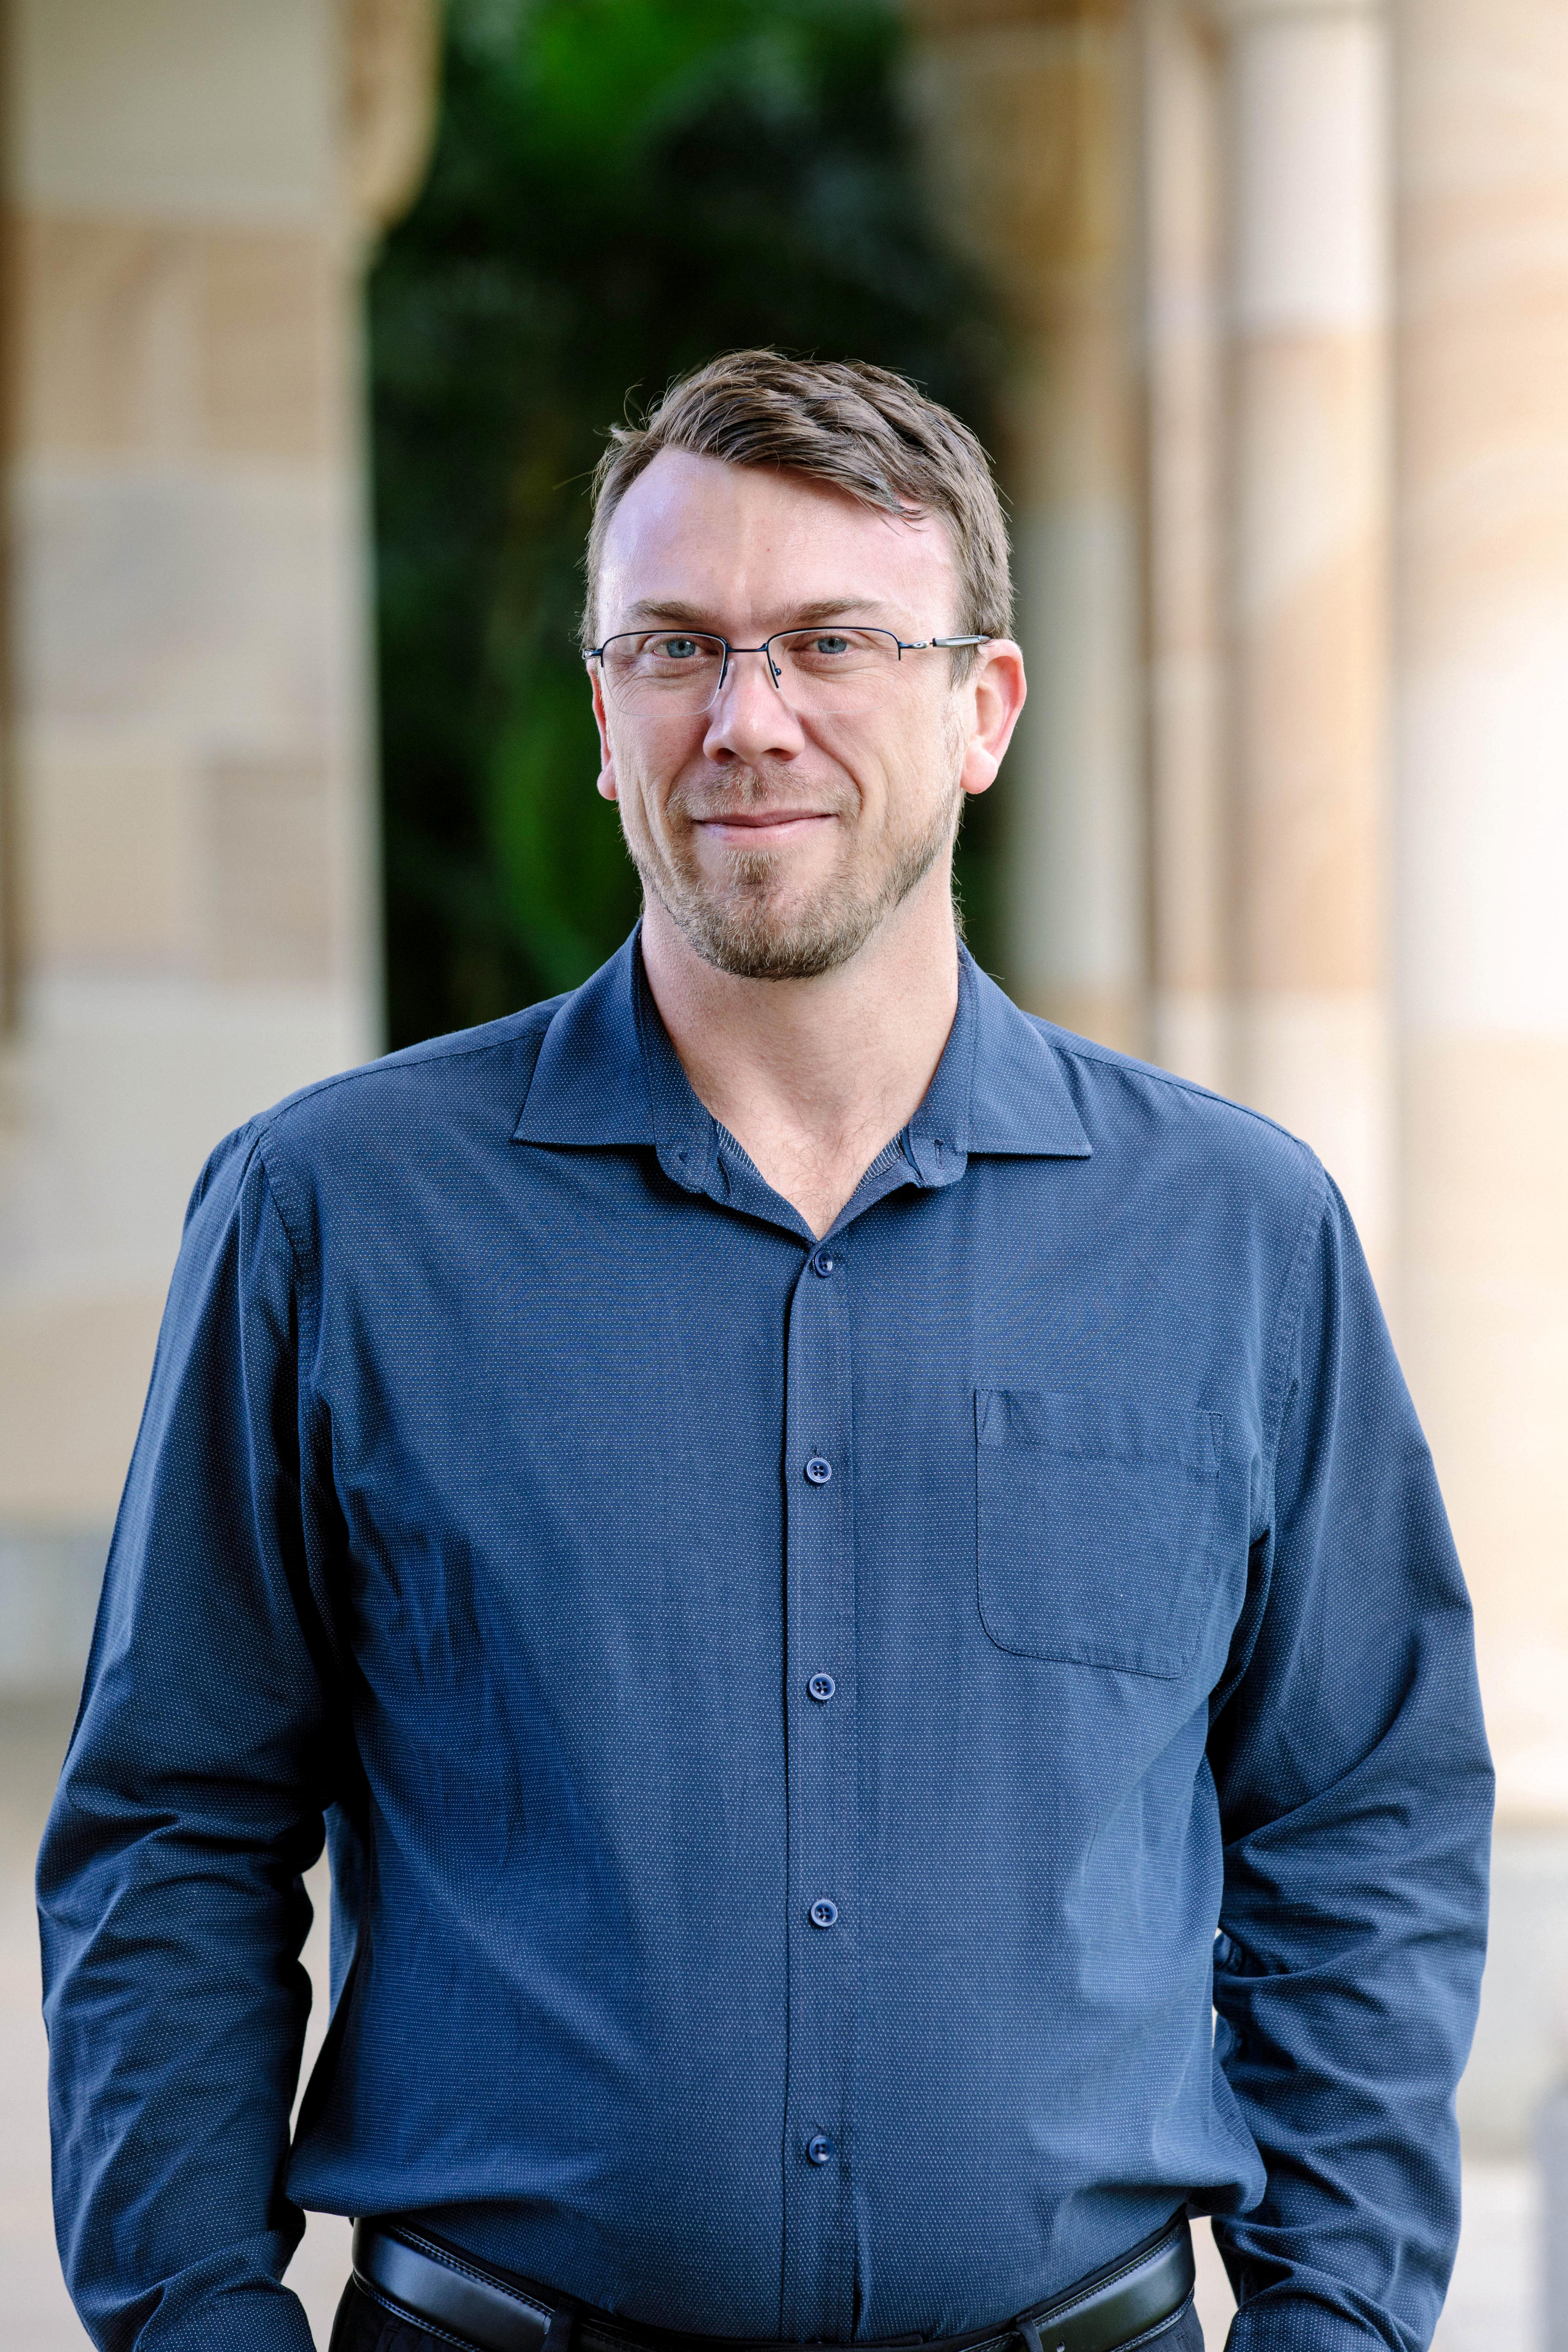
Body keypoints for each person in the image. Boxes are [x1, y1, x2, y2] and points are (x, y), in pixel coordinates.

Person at [39, 351, 1491, 2352]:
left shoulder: (1238, 1232)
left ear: (982, 708)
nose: (750, 717)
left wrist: (1338, 2320)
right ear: (606, 706)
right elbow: (175, 1822)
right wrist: (196, 2315)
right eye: (677, 647)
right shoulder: (335, 1216)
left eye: (832, 641)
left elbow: (1363, 1820)